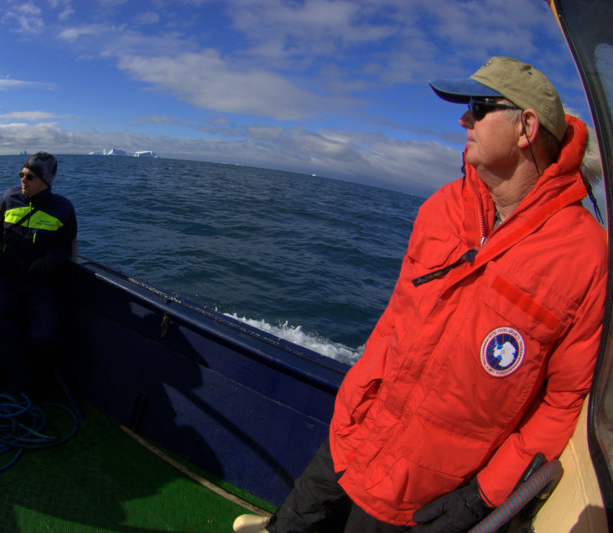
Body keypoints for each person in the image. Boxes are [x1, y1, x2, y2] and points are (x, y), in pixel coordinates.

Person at [234, 57, 607, 533]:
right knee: (291, 523)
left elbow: (563, 402)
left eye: (478, 108)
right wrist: (356, 398)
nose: (463, 120)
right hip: (355, 435)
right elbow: (394, 321)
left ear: (525, 127)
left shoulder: (586, 256)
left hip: (424, 486)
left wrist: (484, 496)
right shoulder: (441, 209)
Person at [0, 152, 77, 391]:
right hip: (7, 279)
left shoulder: (63, 209)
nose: (23, 180)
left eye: (30, 176)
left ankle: (28, 378)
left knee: (44, 336)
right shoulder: (7, 199)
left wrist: (51, 260)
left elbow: (68, 248)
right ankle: (19, 379)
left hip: (40, 283)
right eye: (21, 174)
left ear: (45, 181)